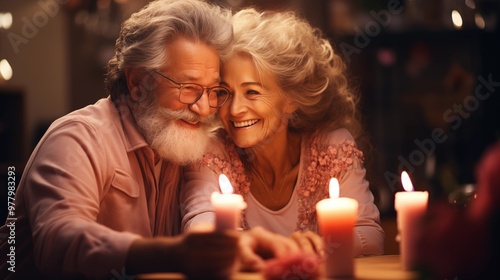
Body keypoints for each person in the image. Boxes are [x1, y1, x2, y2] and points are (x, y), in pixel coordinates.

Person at [0, 1, 302, 279]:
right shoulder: (77, 138)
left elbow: (205, 218)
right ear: (137, 83)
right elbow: (57, 240)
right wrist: (173, 254)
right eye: (188, 87)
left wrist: (239, 245)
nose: (204, 108)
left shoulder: (188, 143)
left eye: (213, 91)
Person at [180, 8, 384, 257]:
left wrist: (313, 249)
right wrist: (279, 250)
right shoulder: (211, 150)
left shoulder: (331, 146)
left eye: (252, 92)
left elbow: (371, 237)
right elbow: (199, 228)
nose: (234, 109)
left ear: (291, 100)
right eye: (225, 92)